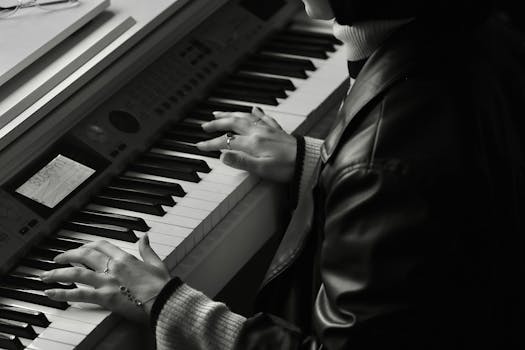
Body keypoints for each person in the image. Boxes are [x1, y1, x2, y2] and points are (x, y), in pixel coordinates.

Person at [41, 0, 525, 348]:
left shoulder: (387, 161)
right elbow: (455, 188)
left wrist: (168, 304)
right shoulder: (481, 26)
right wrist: (323, 162)